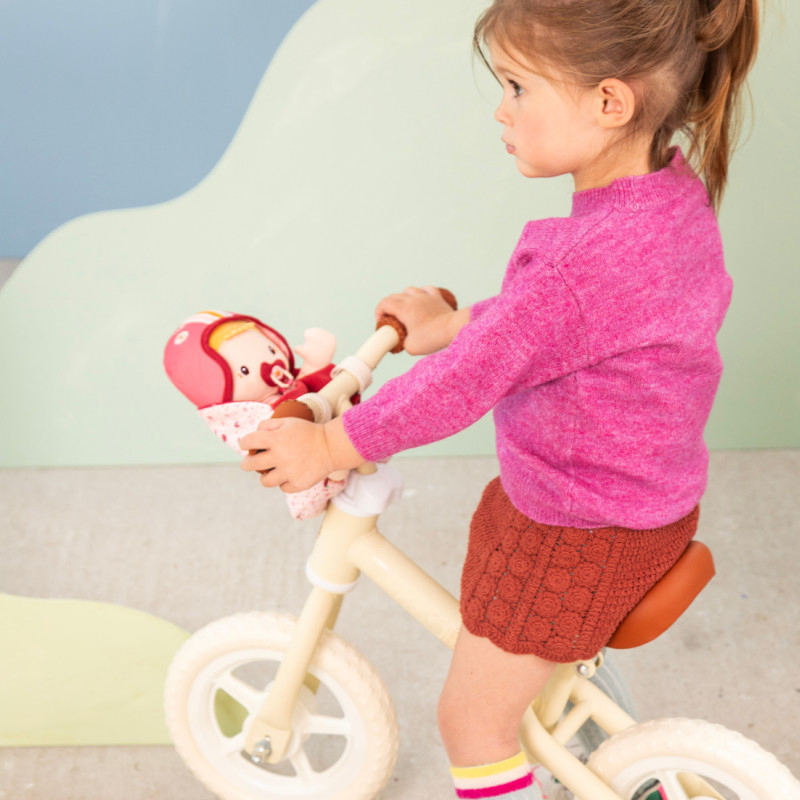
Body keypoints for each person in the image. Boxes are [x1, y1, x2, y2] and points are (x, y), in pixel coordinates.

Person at [241, 0, 760, 797]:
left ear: (609, 103)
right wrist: (458, 322)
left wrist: (334, 445)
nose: (501, 108)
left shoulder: (577, 269)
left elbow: (466, 383)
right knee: (502, 567)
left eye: (518, 87)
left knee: (471, 723)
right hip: (645, 506)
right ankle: (579, 722)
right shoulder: (671, 202)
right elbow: (566, 329)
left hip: (577, 533)